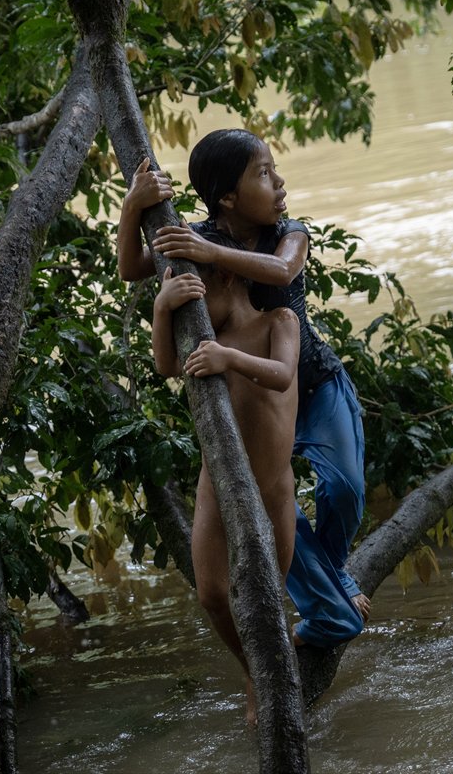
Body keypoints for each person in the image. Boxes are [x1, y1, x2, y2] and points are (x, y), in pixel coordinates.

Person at [118, 128, 369, 648]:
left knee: (345, 488)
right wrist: (131, 209)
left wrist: (206, 250)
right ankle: (323, 598)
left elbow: (281, 268)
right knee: (276, 503)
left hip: (313, 382)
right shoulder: (203, 234)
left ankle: (337, 572)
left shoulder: (289, 231)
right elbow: (135, 268)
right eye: (263, 174)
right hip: (255, 397)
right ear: (228, 197)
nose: (280, 184)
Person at [151, 256, 299, 725]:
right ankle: (253, 668)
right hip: (216, 484)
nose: (190, 316)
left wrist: (228, 357)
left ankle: (273, 674)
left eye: (197, 300)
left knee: (267, 593)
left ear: (228, 278)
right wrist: (160, 309)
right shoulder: (200, 338)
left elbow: (282, 374)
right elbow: (164, 365)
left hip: (273, 488)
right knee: (212, 595)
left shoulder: (280, 320)